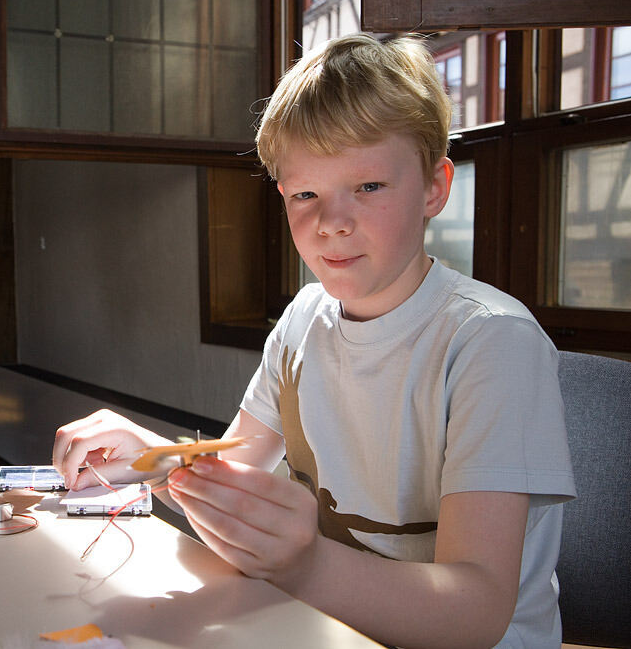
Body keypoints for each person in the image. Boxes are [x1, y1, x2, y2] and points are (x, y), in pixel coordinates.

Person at [53, 34, 575, 648]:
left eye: (369, 187)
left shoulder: (492, 344)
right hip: (327, 628)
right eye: (307, 194)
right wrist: (157, 460)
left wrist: (303, 564)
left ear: (435, 186)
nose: (331, 221)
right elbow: (236, 475)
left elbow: (476, 612)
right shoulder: (305, 317)